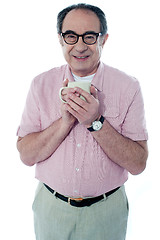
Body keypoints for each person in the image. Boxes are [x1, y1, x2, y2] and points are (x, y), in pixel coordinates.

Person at [16, 3, 148, 240]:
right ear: (60, 39)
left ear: (103, 39)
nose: (79, 46)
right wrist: (64, 122)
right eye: (70, 36)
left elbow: (138, 164)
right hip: (51, 209)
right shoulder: (40, 84)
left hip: (107, 212)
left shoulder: (129, 87)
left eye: (89, 36)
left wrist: (95, 121)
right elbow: (26, 155)